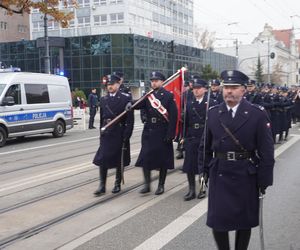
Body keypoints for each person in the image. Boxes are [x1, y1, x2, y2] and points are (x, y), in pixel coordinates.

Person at [198, 70, 275, 250]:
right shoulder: (214, 113)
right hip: (220, 172)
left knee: (243, 222)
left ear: (243, 90)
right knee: (217, 221)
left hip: (245, 173)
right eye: (226, 87)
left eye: (234, 87)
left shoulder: (257, 114)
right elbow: (205, 146)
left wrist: (264, 180)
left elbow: (266, 151)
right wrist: (203, 171)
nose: (229, 91)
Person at [133, 71, 178, 195]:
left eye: (156, 80)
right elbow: (138, 104)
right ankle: (147, 185)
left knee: (162, 160)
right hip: (149, 131)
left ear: (162, 82)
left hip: (162, 131)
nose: (154, 82)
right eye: (152, 81)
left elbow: (174, 116)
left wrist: (171, 134)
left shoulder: (168, 96)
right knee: (145, 158)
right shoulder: (148, 96)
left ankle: (161, 185)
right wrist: (129, 104)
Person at [93, 75, 134, 196]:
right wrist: (101, 132)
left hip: (119, 132)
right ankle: (102, 185)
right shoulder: (104, 99)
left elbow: (129, 120)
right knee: (102, 159)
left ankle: (117, 183)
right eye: (108, 85)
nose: (109, 86)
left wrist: (127, 134)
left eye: (112, 84)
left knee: (118, 159)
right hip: (107, 132)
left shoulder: (125, 98)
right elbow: (102, 118)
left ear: (118, 84)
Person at [182, 78, 216, 201]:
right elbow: (186, 122)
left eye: (198, 88)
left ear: (205, 89)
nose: (196, 91)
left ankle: (202, 187)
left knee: (203, 164)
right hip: (191, 136)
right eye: (194, 88)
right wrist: (184, 138)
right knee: (189, 165)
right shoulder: (189, 103)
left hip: (204, 135)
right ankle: (191, 190)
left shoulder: (211, 103)